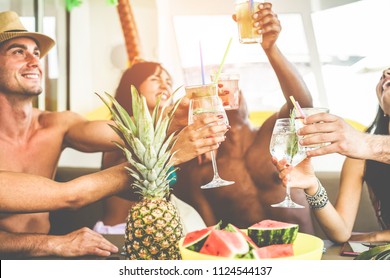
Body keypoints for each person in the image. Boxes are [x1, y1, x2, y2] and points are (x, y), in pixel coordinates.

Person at [0, 11, 226, 258]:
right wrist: (53, 244)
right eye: (18, 52)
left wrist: (174, 119)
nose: (34, 61)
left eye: (36, 53)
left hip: (44, 263)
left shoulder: (58, 124)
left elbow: (123, 133)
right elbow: (71, 196)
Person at [173, 2, 315, 233]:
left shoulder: (273, 132)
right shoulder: (204, 170)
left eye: (234, 89)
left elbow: (302, 105)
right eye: (218, 91)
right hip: (245, 257)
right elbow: (208, 231)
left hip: (303, 248)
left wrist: (271, 49)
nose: (227, 92)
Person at [93, 60, 229, 234]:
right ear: (133, 85)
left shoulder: (168, 136)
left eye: (169, 81)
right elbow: (132, 176)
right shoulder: (120, 130)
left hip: (159, 230)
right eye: (156, 79)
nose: (165, 85)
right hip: (118, 233)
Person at [273, 67, 390, 243]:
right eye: (385, 73)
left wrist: (377, 235)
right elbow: (341, 232)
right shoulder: (360, 157)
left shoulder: (362, 145)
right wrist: (313, 187)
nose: (386, 73)